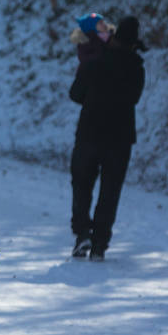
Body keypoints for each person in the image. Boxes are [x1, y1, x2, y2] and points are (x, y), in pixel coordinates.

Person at [68, 15, 146, 260]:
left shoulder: (94, 62)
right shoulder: (137, 68)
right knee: (110, 191)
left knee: (82, 185)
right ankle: (100, 243)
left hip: (89, 132)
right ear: (134, 43)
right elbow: (134, 98)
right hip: (120, 138)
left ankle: (82, 234)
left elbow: (75, 94)